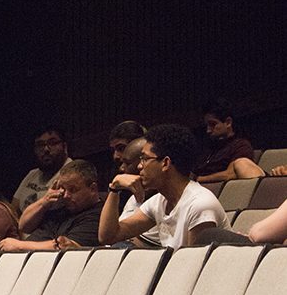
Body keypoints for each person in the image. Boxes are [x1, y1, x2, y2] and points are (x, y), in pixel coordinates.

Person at [99, 124, 229, 249]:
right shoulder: (159, 202)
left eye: (144, 159)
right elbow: (109, 237)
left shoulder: (200, 205)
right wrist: (114, 188)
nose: (139, 166)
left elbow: (194, 266)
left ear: (165, 163)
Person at [0, 160, 102, 251]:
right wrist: (45, 200)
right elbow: (24, 226)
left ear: (92, 189)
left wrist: (20, 246)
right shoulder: (60, 205)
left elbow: (67, 248)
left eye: (72, 190)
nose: (66, 195)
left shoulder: (97, 214)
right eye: (63, 188)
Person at [193, 98, 264, 182]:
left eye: (213, 124)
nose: (208, 130)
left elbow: (230, 174)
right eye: (207, 125)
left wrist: (198, 179)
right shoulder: (207, 148)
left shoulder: (240, 145)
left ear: (228, 122)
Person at [11, 126, 72, 215]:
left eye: (53, 143)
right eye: (40, 145)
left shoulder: (71, 173)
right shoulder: (33, 174)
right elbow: (14, 208)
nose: (46, 149)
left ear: (65, 146)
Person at [113, 138, 161, 247]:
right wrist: (113, 189)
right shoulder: (133, 198)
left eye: (127, 163)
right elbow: (106, 237)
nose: (122, 168)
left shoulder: (162, 200)